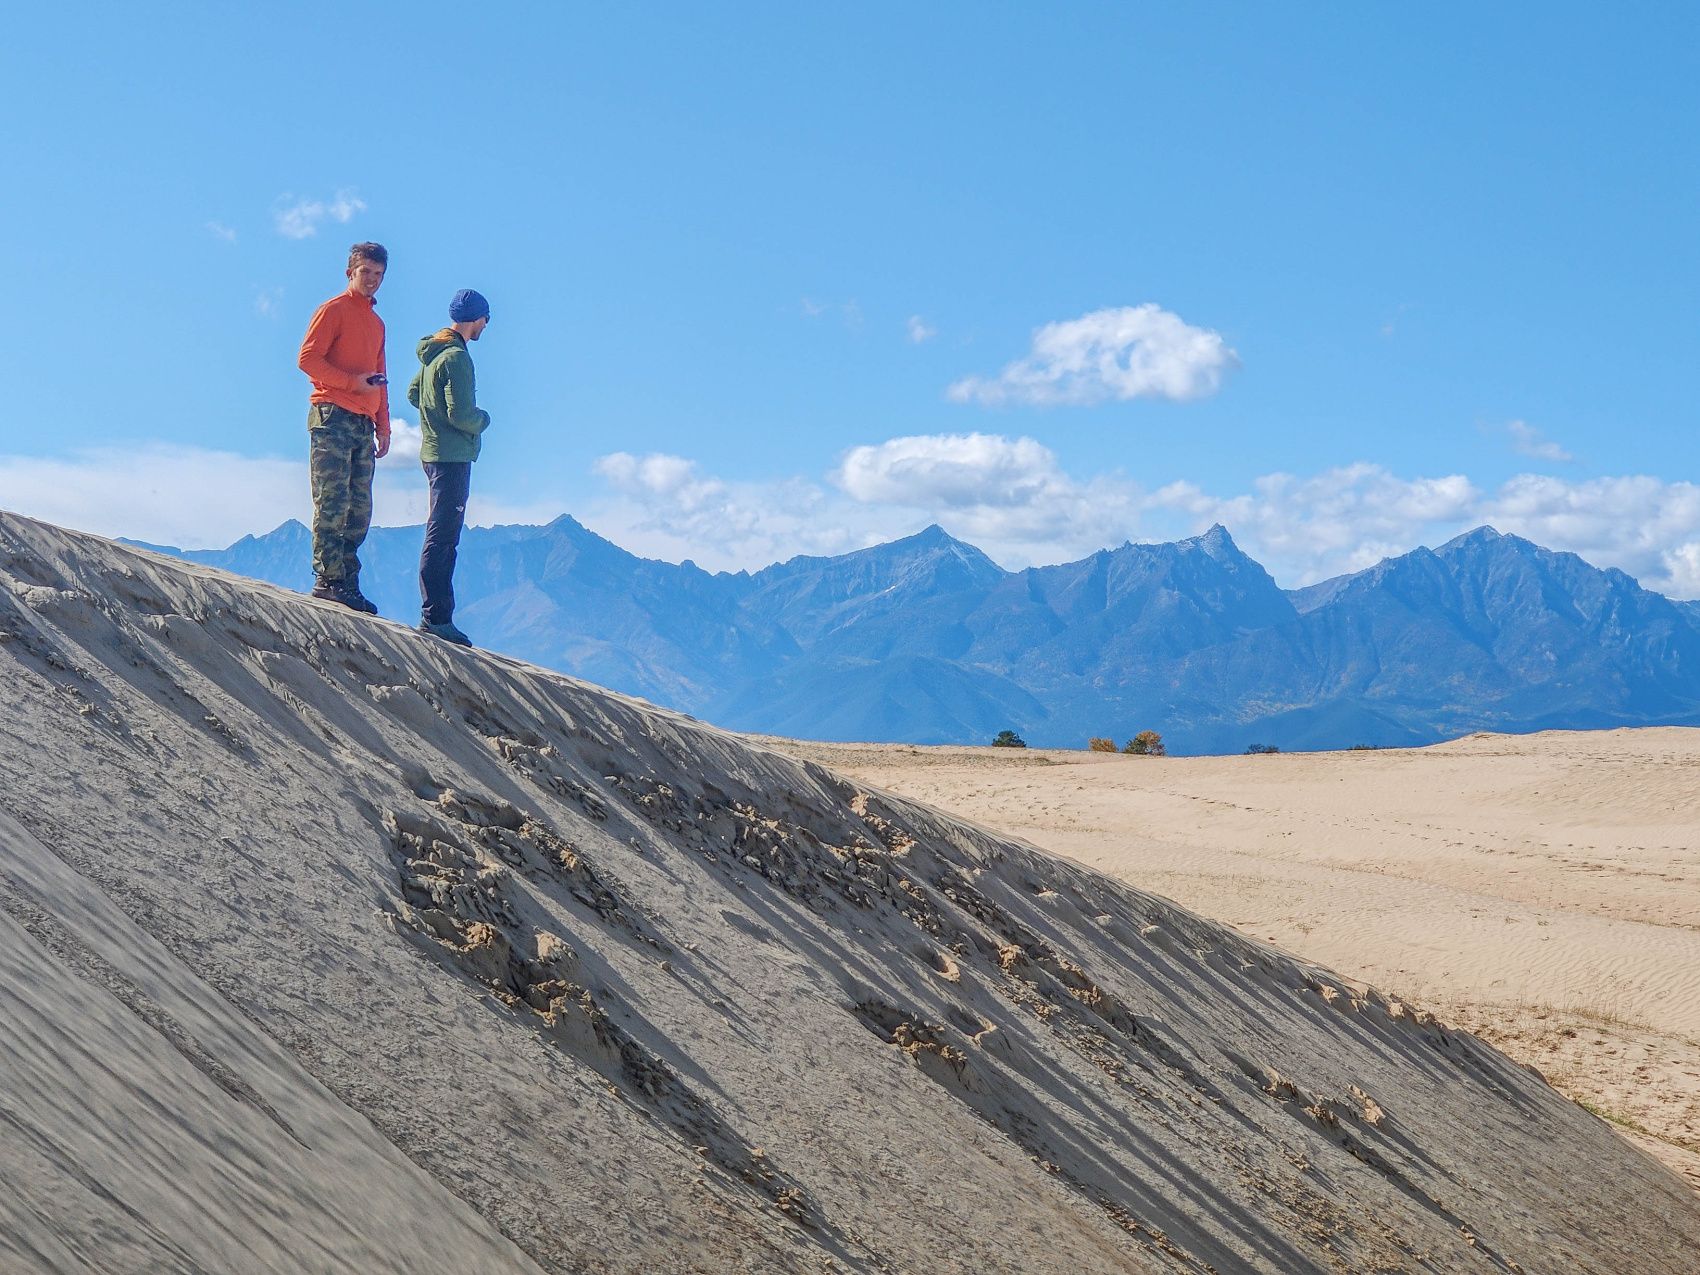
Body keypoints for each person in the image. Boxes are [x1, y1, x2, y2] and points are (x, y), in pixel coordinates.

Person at [297, 242, 391, 614]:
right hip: (332, 414)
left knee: (359, 508)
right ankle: (328, 579)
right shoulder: (333, 310)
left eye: (378, 275)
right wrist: (352, 383)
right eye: (365, 272)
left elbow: (381, 378)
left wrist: (383, 425)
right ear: (350, 271)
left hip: (363, 423)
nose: (371, 280)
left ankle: (347, 581)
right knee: (332, 500)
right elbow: (308, 359)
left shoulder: (377, 323)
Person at [408, 288, 492, 647]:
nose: (486, 326)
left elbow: (414, 394)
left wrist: (432, 420)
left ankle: (436, 614)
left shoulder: (433, 352)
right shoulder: (457, 357)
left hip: (432, 451)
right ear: (478, 318)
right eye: (486, 320)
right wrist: (483, 420)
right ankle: (436, 618)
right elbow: (461, 414)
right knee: (443, 537)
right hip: (452, 456)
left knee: (439, 533)